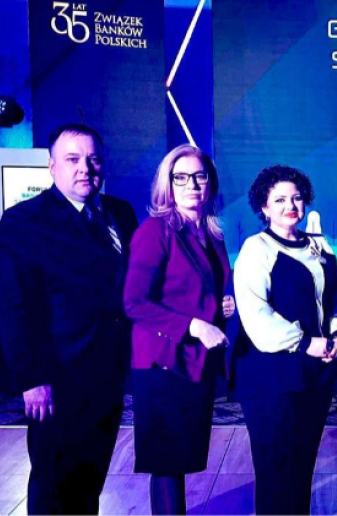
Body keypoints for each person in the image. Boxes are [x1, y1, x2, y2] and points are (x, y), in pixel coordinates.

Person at [0, 123, 138, 514]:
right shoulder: (25, 220)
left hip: (107, 376)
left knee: (90, 482)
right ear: (52, 165)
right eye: (72, 159)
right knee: (52, 485)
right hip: (56, 380)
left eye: (93, 159)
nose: (84, 168)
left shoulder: (120, 214)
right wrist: (31, 379)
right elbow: (11, 307)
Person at [123, 144, 236, 515]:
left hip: (195, 364)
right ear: (167, 184)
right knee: (167, 464)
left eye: (199, 176)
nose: (192, 185)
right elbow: (134, 302)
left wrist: (221, 306)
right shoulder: (155, 230)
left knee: (183, 458)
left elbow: (194, 288)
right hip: (163, 363)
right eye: (181, 177)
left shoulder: (211, 233)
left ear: (210, 182)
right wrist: (195, 325)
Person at [233, 165, 337, 515]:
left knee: (302, 467)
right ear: (264, 207)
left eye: (297, 198)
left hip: (315, 375)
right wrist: (306, 343)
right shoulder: (256, 249)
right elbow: (256, 316)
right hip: (271, 378)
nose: (290, 206)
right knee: (275, 471)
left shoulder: (319, 245)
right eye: (280, 199)